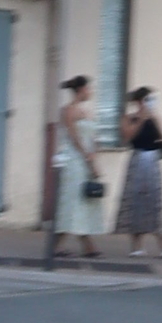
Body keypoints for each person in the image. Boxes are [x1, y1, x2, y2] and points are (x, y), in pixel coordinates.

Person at [51, 73, 103, 263]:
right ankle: (80, 245)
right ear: (81, 90)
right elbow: (74, 137)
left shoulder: (87, 111)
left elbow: (94, 137)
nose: (91, 92)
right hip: (74, 160)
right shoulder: (68, 110)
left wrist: (94, 156)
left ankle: (77, 244)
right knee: (73, 201)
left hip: (87, 159)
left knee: (85, 202)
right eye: (88, 88)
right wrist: (87, 156)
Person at [112, 89, 162, 264]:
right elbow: (128, 136)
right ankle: (137, 245)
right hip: (137, 158)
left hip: (152, 160)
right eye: (146, 99)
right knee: (136, 200)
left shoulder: (154, 118)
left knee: (154, 200)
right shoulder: (129, 118)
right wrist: (141, 120)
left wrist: (154, 119)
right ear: (138, 101)